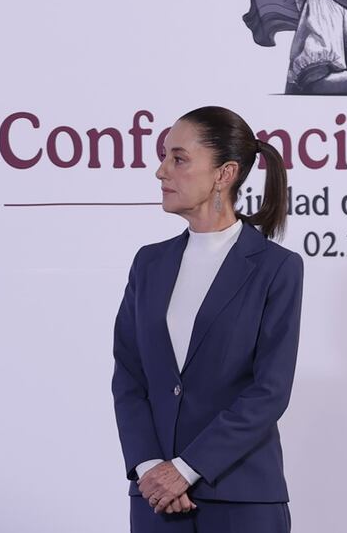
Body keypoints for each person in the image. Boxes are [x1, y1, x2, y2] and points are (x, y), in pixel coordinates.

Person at [112, 106, 302, 532]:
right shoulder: (148, 264)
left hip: (241, 498)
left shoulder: (276, 268)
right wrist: (149, 469)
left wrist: (188, 467)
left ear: (224, 174)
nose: (161, 171)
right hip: (156, 500)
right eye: (164, 157)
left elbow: (269, 391)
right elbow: (129, 377)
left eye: (178, 159)